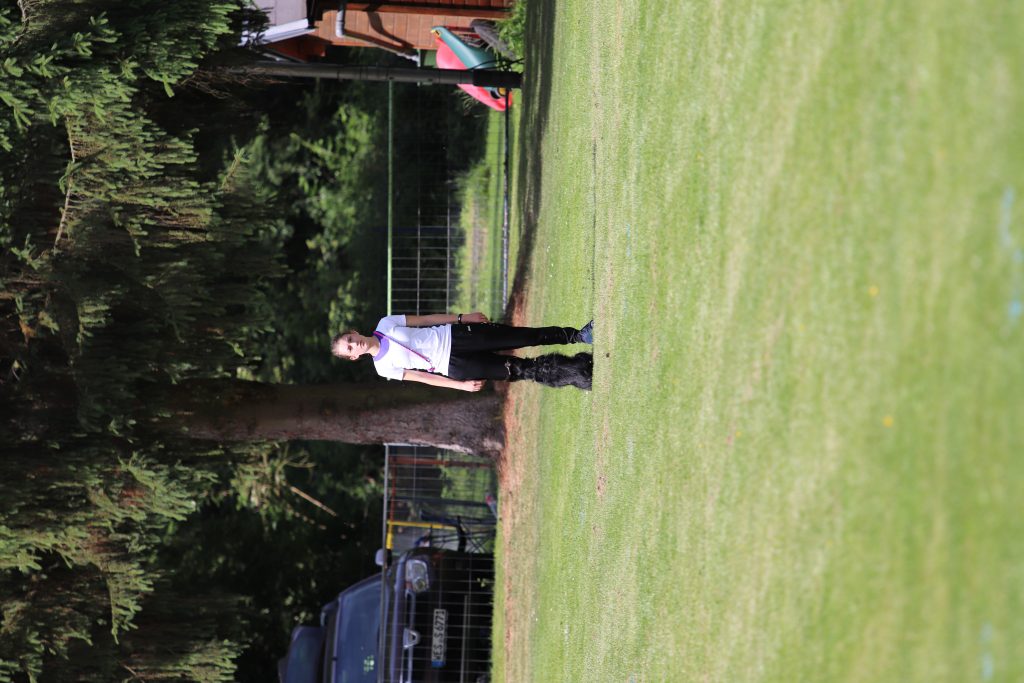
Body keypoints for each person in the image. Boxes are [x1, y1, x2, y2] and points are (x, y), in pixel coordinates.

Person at [331, 312, 594, 391]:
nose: (355, 344)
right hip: (455, 367)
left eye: (350, 339)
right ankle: (579, 373)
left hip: (457, 336)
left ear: (354, 332)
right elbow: (423, 377)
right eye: (350, 349)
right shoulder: (382, 368)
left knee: (524, 336)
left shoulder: (386, 323)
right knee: (521, 370)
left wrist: (461, 317)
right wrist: (461, 386)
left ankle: (578, 335)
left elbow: (425, 320)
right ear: (353, 357)